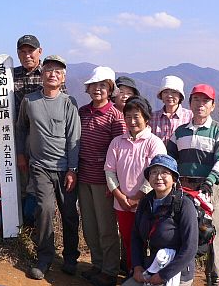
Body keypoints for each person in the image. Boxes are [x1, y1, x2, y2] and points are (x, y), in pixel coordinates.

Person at [0, 35, 67, 227]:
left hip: (45, 140)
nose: (27, 55)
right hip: (17, 138)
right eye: (22, 51)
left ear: (40, 51)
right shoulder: (8, 76)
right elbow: (5, 110)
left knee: (39, 188)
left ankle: (37, 229)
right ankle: (20, 228)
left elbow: (60, 105)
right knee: (21, 184)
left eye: (30, 50)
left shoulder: (50, 73)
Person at [15, 55, 80, 280]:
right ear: (41, 74)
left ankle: (71, 257)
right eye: (49, 70)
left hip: (65, 168)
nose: (53, 74)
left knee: (69, 213)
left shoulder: (69, 102)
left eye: (58, 72)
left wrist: (73, 169)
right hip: (40, 166)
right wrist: (21, 154)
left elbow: (74, 138)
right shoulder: (29, 101)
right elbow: (21, 128)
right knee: (44, 210)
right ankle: (44, 258)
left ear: (63, 78)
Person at [167, 84, 219, 286]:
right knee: (182, 231)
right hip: (183, 188)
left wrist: (210, 180)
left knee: (210, 233)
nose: (200, 105)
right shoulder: (179, 132)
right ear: (190, 103)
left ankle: (216, 279)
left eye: (205, 101)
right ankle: (181, 277)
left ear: (213, 105)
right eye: (196, 100)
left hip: (209, 188)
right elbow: (170, 158)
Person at [104, 96, 167, 273]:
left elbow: (158, 173)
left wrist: (139, 196)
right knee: (128, 239)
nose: (132, 121)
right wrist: (120, 196)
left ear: (146, 118)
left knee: (149, 239)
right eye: (128, 116)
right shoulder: (117, 142)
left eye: (136, 116)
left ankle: (152, 274)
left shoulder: (154, 142)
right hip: (122, 204)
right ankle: (133, 272)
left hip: (149, 204)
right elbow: (109, 171)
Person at [78, 66, 127, 286]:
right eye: (94, 86)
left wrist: (114, 182)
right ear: (87, 89)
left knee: (106, 227)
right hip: (83, 176)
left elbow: (120, 151)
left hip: (104, 180)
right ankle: (97, 265)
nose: (98, 90)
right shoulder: (82, 112)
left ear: (110, 90)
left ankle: (109, 271)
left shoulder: (116, 117)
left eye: (103, 86)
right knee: (89, 225)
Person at [125, 154, 198, 286]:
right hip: (150, 268)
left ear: (174, 179)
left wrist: (163, 275)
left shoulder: (184, 205)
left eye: (165, 173)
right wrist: (137, 267)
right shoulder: (145, 202)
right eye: (154, 172)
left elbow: (190, 248)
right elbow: (135, 237)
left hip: (177, 272)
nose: (158, 177)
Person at [149, 76, 193, 145]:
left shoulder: (190, 116)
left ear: (180, 96)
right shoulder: (152, 117)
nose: (169, 95)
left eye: (174, 92)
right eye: (165, 92)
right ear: (161, 95)